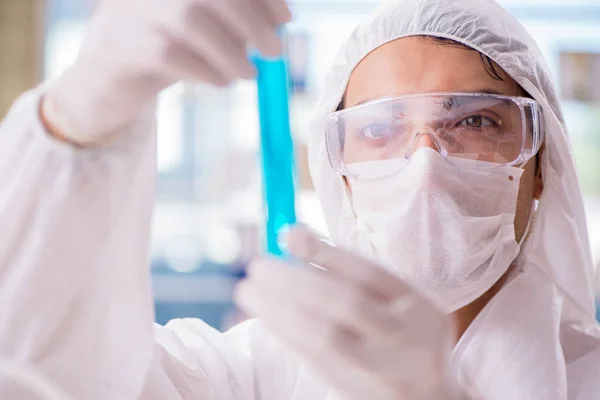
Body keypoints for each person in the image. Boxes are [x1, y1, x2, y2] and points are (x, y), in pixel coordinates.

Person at [0, 0, 599, 399]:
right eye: (378, 128)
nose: (424, 163)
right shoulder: (244, 375)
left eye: (475, 122)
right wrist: (77, 123)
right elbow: (46, 369)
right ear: (338, 172)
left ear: (542, 164)